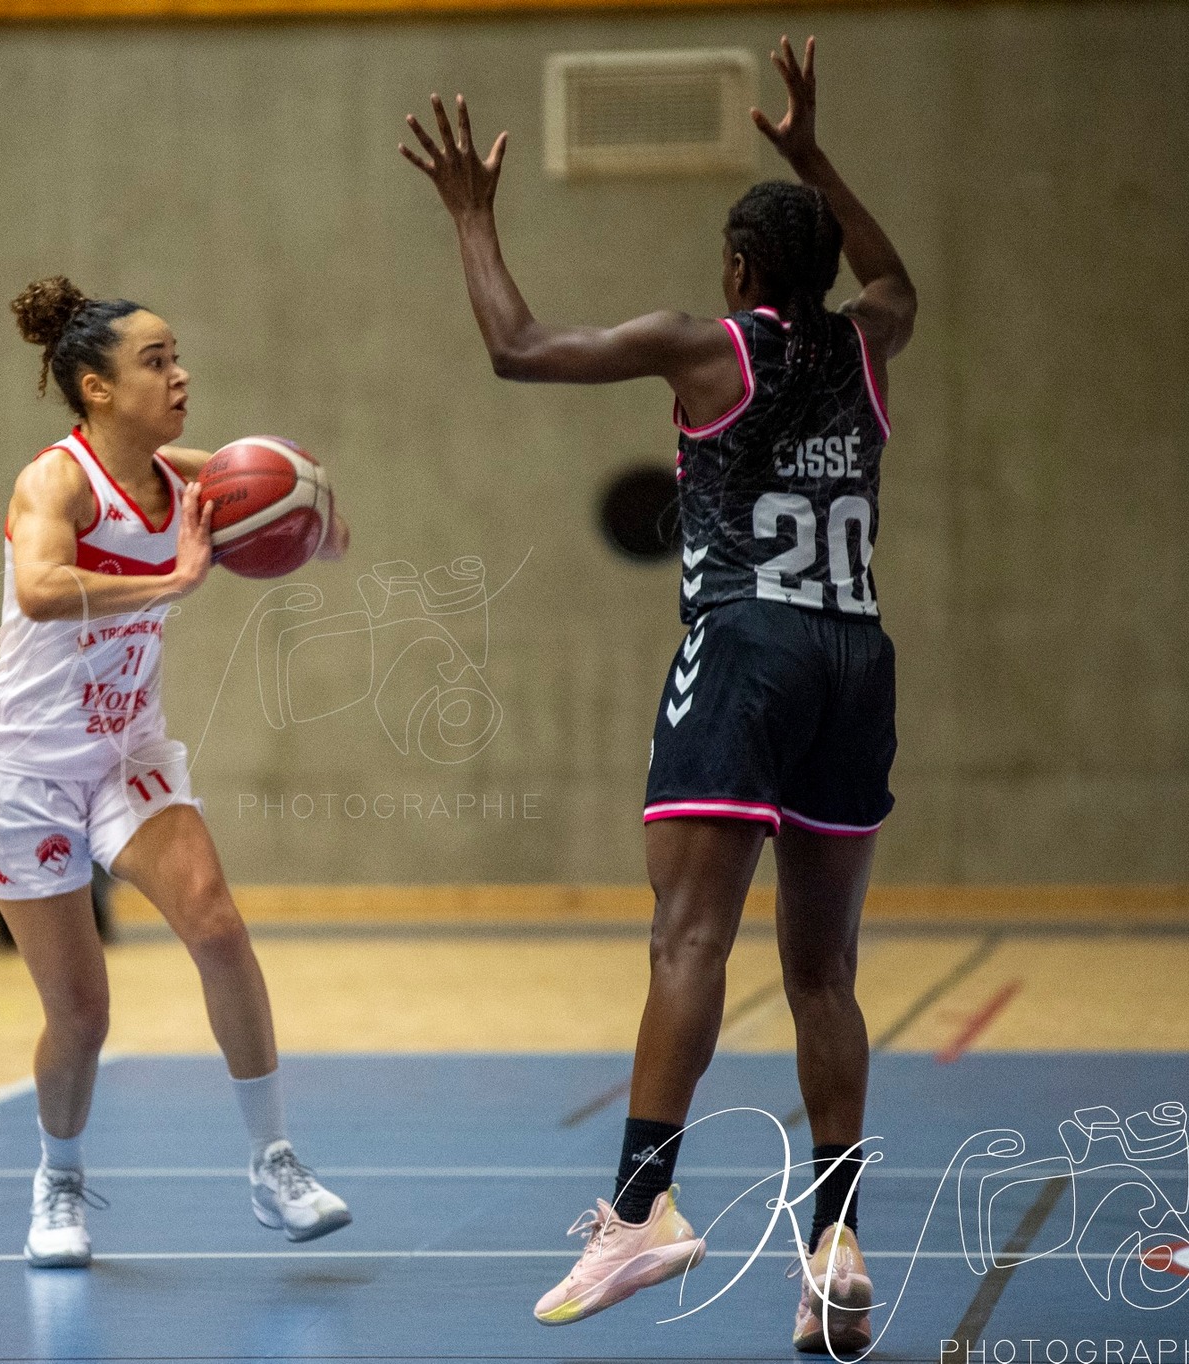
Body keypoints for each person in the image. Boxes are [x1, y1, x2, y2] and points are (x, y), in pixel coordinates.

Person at [403, 37, 914, 1352]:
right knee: (824, 972)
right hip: (857, 657)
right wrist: (811, 157)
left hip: (747, 650)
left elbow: (517, 348)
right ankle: (837, 1242)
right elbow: (895, 276)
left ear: (739, 270)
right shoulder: (868, 348)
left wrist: (472, 217)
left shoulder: (704, 346)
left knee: (688, 943)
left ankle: (642, 1212)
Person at [0, 275, 353, 1269]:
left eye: (177, 357)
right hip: (23, 767)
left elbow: (248, 474)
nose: (180, 374)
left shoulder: (177, 475)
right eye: (155, 361)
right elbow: (42, 586)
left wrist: (304, 500)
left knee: (215, 923)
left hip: (125, 752)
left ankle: (274, 1163)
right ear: (95, 388)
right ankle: (56, 1178)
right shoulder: (56, 480)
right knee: (81, 1015)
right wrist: (166, 578)